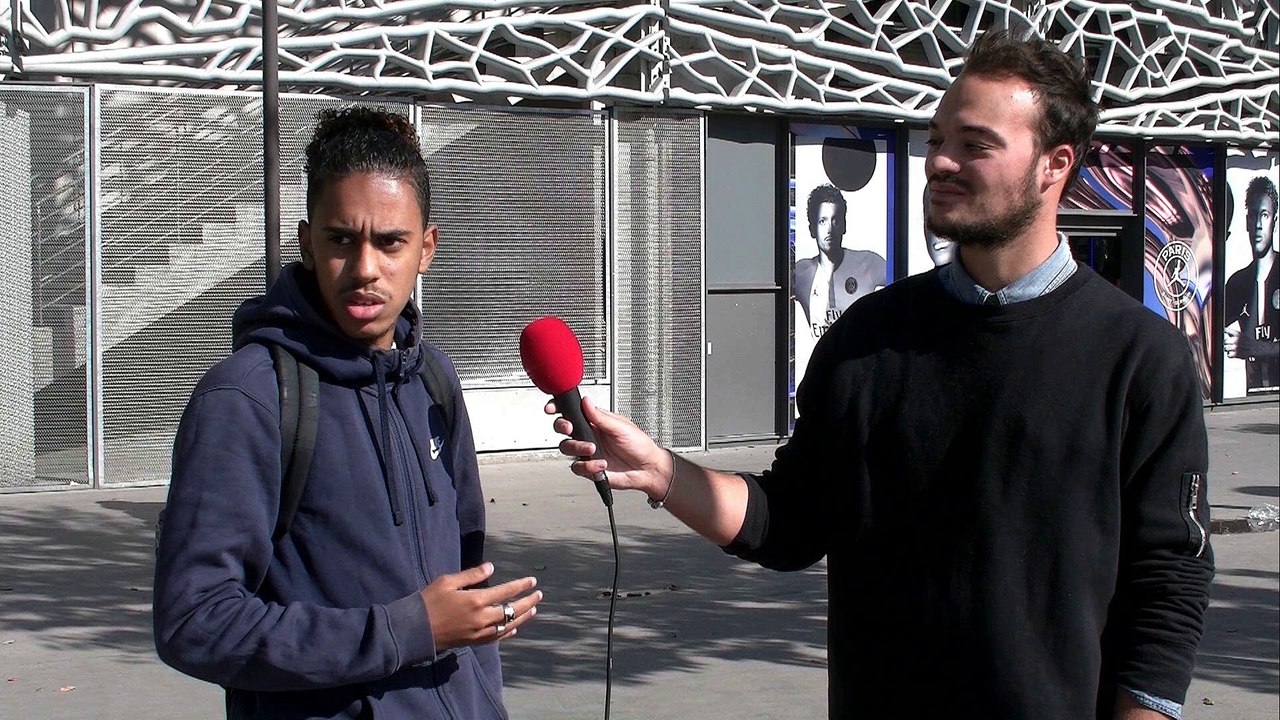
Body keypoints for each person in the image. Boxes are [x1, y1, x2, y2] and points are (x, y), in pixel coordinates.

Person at [550, 30, 1211, 720]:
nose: (942, 162)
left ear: (1055, 164)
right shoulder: (869, 338)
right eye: (936, 141)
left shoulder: (1140, 358)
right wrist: (661, 470)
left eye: (975, 145)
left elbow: (1168, 579)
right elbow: (791, 519)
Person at [153, 107, 541, 719]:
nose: (365, 269)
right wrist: (403, 630)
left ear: (426, 248)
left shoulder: (434, 380)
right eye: (341, 239)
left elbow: (466, 581)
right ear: (307, 241)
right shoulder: (247, 399)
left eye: (391, 243)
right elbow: (195, 621)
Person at [793, 183, 887, 337]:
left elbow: (905, 284)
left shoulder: (867, 263)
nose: (829, 229)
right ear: (812, 229)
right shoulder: (802, 274)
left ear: (844, 226)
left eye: (835, 220)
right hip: (822, 360)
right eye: (822, 221)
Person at [1224, 175, 1279, 393]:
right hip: (1252, 397)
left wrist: (1253, 347)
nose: (1257, 224)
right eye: (1253, 215)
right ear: (1246, 222)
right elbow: (1208, 330)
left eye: (1264, 215)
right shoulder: (1238, 283)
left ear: (1274, 221)